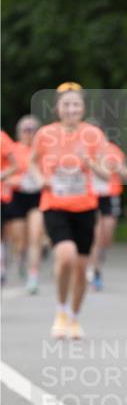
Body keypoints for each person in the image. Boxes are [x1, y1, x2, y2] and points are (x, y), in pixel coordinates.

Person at [29, 83, 111, 338]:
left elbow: (107, 173)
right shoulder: (45, 134)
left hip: (85, 207)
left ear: (83, 108)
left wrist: (89, 163)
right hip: (54, 205)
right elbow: (32, 163)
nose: (71, 109)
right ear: (57, 108)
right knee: (66, 256)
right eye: (66, 104)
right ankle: (60, 310)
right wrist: (40, 178)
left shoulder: (93, 135)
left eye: (76, 104)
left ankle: (74, 318)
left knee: (81, 267)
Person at [87, 140, 127, 291]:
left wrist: (118, 168)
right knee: (96, 234)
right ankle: (95, 271)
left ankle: (99, 254)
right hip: (91, 196)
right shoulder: (82, 150)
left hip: (109, 195)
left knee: (107, 235)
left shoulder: (113, 150)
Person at [10, 115, 44, 294]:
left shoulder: (42, 150)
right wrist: (18, 180)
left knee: (35, 237)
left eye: (33, 130)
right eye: (26, 130)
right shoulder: (13, 149)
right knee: (19, 240)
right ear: (19, 132)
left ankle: (33, 276)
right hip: (17, 195)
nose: (29, 133)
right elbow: (5, 172)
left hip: (37, 196)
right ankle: (20, 257)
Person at [0, 128, 18, 285]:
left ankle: (2, 268)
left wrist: (2, 175)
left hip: (2, 195)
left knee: (4, 235)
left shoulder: (2, 138)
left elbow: (15, 165)